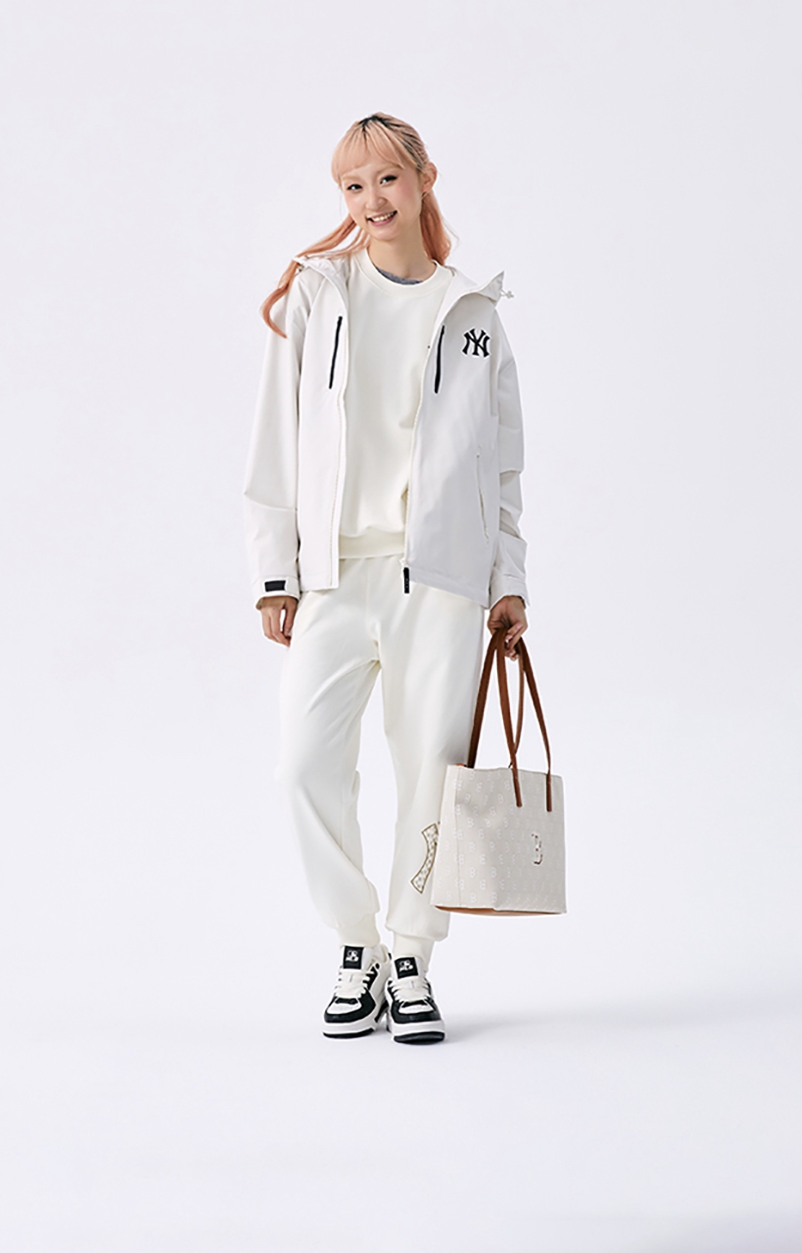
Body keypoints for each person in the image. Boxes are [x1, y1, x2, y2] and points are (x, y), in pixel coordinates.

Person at [243, 113, 530, 1044]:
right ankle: (355, 942)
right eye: (353, 186)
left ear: (424, 179)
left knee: (430, 773)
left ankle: (411, 954)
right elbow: (275, 440)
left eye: (387, 180)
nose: (371, 201)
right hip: (335, 575)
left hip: (441, 581)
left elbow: (501, 466)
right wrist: (275, 573)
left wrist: (507, 579)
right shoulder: (318, 294)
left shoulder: (472, 312)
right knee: (303, 767)